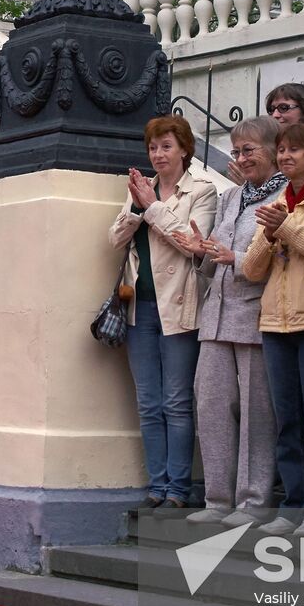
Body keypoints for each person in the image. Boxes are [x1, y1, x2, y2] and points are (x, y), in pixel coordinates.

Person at [172, 117, 284, 526]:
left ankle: (253, 503)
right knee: (212, 405)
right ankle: (217, 500)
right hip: (216, 316)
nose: (240, 159)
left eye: (248, 150)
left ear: (274, 150)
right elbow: (214, 254)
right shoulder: (234, 195)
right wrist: (199, 251)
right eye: (236, 152)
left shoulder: (286, 197)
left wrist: (232, 259)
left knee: (257, 413)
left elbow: (282, 262)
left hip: (256, 316)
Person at [109, 115, 218, 510]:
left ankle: (178, 489)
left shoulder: (202, 191)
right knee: (148, 402)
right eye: (153, 147)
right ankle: (156, 486)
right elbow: (115, 237)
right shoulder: (144, 189)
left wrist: (152, 207)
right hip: (139, 307)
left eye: (166, 146)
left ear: (184, 150)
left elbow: (193, 244)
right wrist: (138, 208)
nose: (158, 154)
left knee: (176, 400)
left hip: (179, 307)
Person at [241, 121, 304, 535]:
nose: (286, 157)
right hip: (274, 323)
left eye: (295, 151)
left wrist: (284, 227)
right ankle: (293, 504)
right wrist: (268, 233)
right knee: (287, 420)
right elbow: (250, 270)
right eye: (282, 150)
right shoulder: (275, 202)